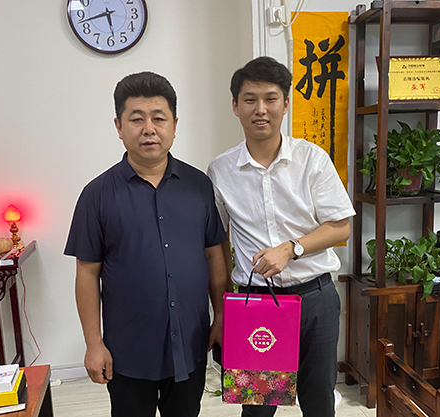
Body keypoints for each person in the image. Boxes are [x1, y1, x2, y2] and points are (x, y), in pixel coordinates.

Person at [67, 71, 229, 416]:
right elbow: (87, 273)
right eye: (136, 119)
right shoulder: (97, 195)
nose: (149, 129)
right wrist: (94, 344)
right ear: (119, 126)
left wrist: (221, 317)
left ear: (174, 124)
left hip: (190, 343)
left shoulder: (199, 186)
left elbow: (215, 255)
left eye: (159, 118)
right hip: (127, 352)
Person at [208, 56, 354, 417]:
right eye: (250, 99)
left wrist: (291, 248)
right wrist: (222, 310)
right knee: (258, 408)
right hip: (256, 302)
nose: (261, 109)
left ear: (285, 104)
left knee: (318, 401)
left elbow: (341, 226)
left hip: (315, 298)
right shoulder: (221, 170)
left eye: (271, 98)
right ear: (235, 106)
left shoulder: (312, 159)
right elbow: (217, 243)